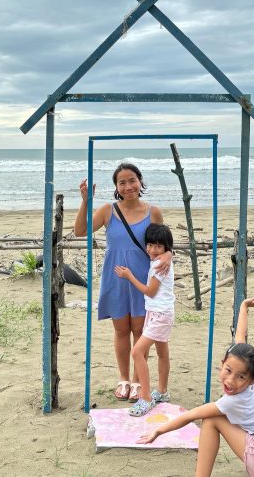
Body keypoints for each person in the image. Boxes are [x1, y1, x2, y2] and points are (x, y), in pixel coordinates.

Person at [137, 296, 254, 477]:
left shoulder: (233, 401)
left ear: (252, 379)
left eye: (240, 377)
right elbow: (240, 337)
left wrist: (158, 431)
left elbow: (191, 415)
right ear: (223, 363)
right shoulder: (247, 367)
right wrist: (244, 306)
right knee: (218, 418)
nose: (230, 380)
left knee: (211, 419)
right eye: (228, 370)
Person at [74, 163, 172, 403]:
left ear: (140, 181)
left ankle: (138, 381)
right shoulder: (108, 210)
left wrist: (169, 254)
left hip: (141, 278)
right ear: (116, 187)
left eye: (132, 181)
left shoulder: (153, 212)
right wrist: (86, 201)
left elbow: (164, 243)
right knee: (120, 330)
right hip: (115, 277)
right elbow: (80, 231)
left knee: (140, 330)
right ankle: (124, 379)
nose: (128, 186)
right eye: (122, 182)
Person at [114, 223, 175, 417]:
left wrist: (129, 276)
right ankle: (162, 391)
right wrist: (168, 253)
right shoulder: (161, 260)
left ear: (166, 247)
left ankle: (146, 398)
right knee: (162, 352)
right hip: (159, 312)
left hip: (160, 315)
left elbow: (150, 291)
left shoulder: (158, 265)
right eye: (150, 245)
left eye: (158, 246)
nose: (153, 250)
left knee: (137, 352)